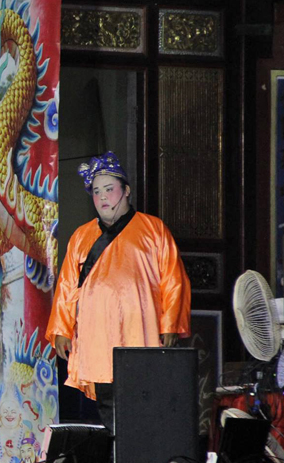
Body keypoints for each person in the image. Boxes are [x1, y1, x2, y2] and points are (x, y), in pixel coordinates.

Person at [45, 151, 190, 435]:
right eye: (96, 192)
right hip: (98, 338)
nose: (102, 198)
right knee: (106, 408)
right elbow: (66, 286)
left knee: (144, 406)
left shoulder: (153, 229)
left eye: (109, 189)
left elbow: (174, 279)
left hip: (142, 334)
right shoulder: (81, 236)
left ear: (126, 191)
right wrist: (63, 329)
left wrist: (170, 324)